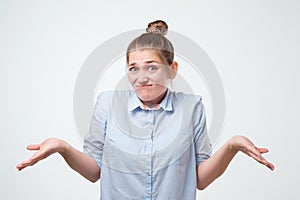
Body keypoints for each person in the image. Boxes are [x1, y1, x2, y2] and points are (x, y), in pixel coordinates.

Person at [17, 20, 274, 200]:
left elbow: (201, 180)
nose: (141, 77)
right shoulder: (107, 104)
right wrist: (63, 147)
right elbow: (94, 171)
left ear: (172, 69)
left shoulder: (192, 107)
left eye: (151, 67)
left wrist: (232, 147)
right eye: (133, 68)